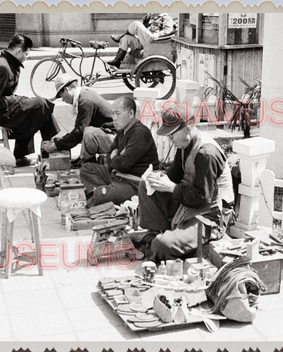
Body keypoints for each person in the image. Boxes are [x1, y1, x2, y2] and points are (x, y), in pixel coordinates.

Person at [136, 107, 235, 262]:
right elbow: (174, 175)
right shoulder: (184, 144)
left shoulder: (206, 154)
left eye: (172, 135)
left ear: (187, 129)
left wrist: (171, 188)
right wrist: (158, 178)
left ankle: (160, 241)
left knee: (162, 246)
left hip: (210, 215)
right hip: (190, 205)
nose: (170, 140)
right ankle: (158, 233)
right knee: (145, 185)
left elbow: (202, 198)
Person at [0, 33, 60, 167]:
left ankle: (33, 152)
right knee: (40, 104)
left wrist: (17, 102)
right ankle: (52, 147)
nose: (26, 58)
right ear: (18, 51)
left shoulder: (2, 61)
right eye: (26, 54)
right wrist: (13, 106)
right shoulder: (2, 67)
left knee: (39, 108)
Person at [80, 96, 160, 207]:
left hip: (134, 183)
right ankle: (112, 193)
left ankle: (110, 194)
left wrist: (115, 156)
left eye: (118, 113)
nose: (114, 118)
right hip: (118, 175)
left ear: (131, 113)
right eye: (112, 113)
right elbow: (109, 155)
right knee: (86, 169)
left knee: (99, 196)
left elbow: (123, 164)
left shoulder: (140, 133)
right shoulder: (122, 131)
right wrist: (116, 157)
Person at [41, 73, 115, 166]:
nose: (63, 100)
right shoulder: (85, 94)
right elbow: (79, 129)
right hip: (110, 136)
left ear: (66, 89)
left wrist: (55, 145)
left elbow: (79, 132)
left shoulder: (85, 100)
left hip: (115, 140)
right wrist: (61, 140)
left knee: (88, 132)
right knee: (87, 131)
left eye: (61, 96)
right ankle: (86, 159)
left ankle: (86, 161)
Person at [107, 13, 177, 69]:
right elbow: (145, 31)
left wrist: (158, 34)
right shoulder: (154, 17)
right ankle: (117, 60)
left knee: (136, 24)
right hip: (146, 41)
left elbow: (167, 31)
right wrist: (145, 23)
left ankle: (120, 37)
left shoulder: (167, 18)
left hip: (155, 41)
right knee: (126, 38)